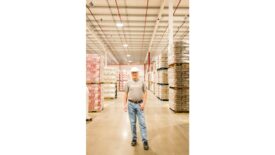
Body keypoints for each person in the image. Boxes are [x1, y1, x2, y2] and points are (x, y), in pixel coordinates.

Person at [123, 67, 149, 150]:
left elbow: (145, 93)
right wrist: (124, 104)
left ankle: (145, 141)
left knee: (142, 123)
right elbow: (125, 94)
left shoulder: (142, 82)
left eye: (136, 72)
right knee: (133, 123)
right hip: (131, 104)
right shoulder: (128, 83)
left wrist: (144, 103)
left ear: (138, 73)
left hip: (139, 104)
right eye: (133, 73)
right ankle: (134, 139)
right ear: (131, 74)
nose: (134, 74)